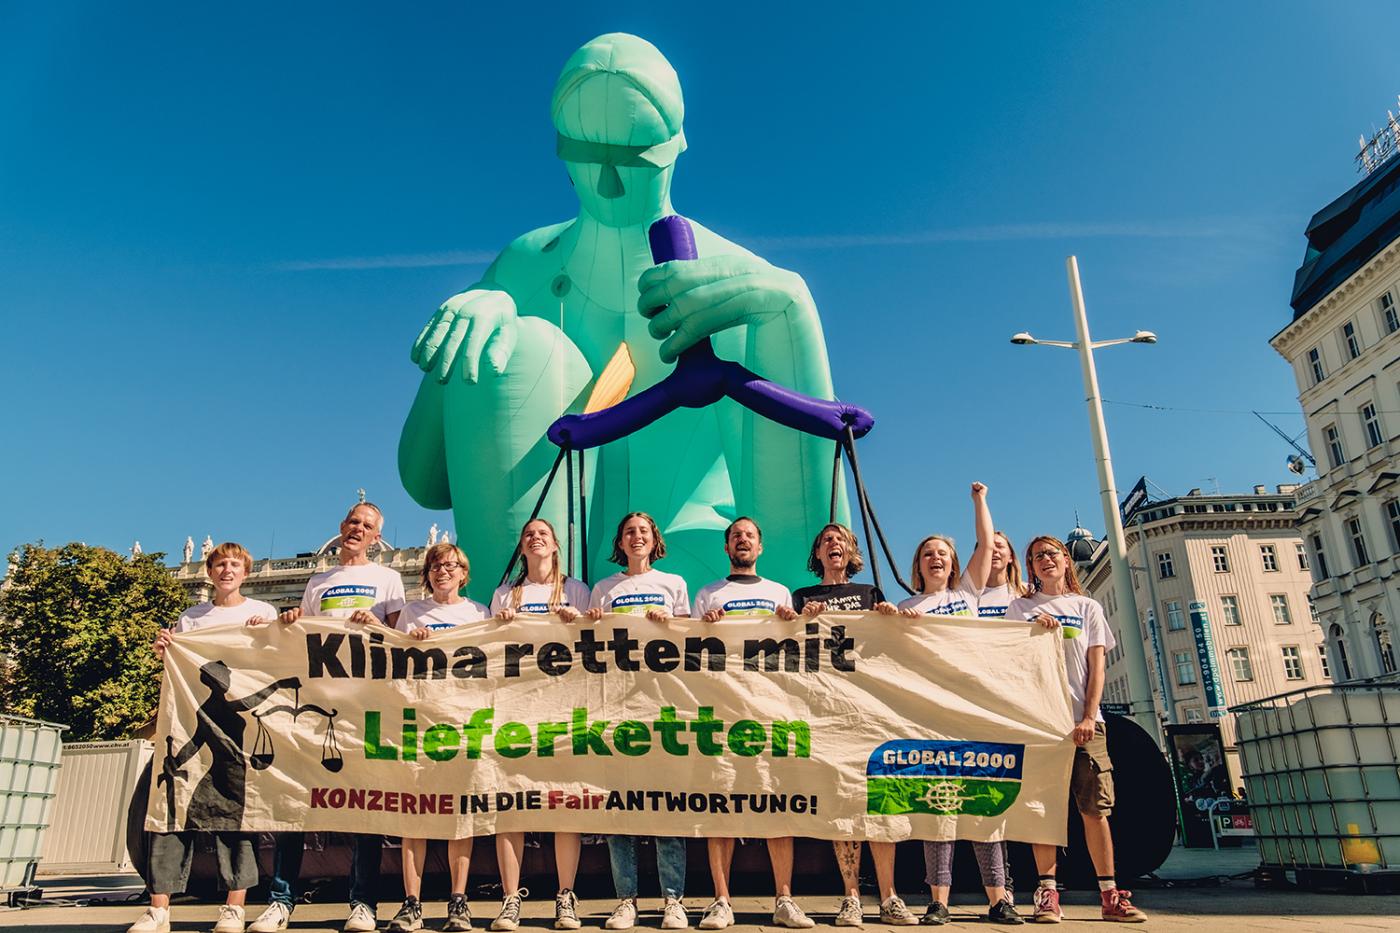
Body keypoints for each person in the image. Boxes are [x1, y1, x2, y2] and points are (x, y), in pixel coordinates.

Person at [249, 502, 407, 933]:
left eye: (368, 526)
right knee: (297, 801)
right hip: (316, 706)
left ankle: (363, 903)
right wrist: (291, 620)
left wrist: (374, 621)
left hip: (366, 705)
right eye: (354, 522)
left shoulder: (389, 579)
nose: (358, 529)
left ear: (377, 538)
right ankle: (281, 900)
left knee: (365, 806)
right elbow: (302, 641)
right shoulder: (317, 581)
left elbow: (399, 641)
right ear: (342, 528)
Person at [128, 543, 277, 933]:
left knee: (236, 819)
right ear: (209, 572)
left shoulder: (262, 613)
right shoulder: (191, 618)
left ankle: (234, 906)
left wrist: (269, 638)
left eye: (234, 565)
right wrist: (166, 650)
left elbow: (273, 663)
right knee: (171, 811)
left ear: (247, 572)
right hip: (189, 720)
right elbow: (181, 669)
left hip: (237, 733)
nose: (227, 570)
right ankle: (158, 907)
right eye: (220, 564)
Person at [896, 485, 1020, 925]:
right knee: (938, 809)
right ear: (919, 564)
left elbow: (988, 544)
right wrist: (900, 624)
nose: (936, 558)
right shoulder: (905, 605)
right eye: (927, 553)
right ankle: (939, 902)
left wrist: (979, 500)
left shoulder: (966, 596)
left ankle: (999, 899)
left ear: (954, 565)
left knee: (985, 806)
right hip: (930, 722)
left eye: (943, 554)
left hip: (973, 715)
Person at [1006, 537, 1147, 924]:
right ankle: (1047, 893)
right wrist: (1031, 633)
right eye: (1037, 557)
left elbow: (1096, 667)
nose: (1046, 560)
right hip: (1039, 724)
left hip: (1084, 723)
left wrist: (1088, 716)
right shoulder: (1019, 609)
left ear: (1066, 561)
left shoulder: (1087, 607)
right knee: (1043, 810)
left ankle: (1109, 893)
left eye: (1052, 554)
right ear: (1030, 568)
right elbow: (1009, 663)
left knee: (1095, 808)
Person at [689, 518, 811, 931]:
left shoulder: (778, 592)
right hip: (721, 712)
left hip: (769, 711)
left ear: (760, 547)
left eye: (750, 536)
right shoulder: (707, 594)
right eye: (735, 536)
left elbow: (796, 649)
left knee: (776, 802)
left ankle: (784, 898)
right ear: (727, 548)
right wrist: (704, 627)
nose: (743, 540)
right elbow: (688, 656)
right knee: (720, 801)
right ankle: (721, 901)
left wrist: (790, 621)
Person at [791, 524, 908, 927]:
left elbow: (888, 646)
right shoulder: (804, 596)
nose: (833, 545)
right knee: (843, 804)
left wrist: (890, 616)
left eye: (840, 540)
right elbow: (787, 645)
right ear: (817, 554)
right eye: (826, 541)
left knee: (879, 799)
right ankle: (851, 897)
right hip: (826, 713)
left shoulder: (870, 594)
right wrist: (797, 621)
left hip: (870, 710)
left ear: (851, 550)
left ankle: (890, 896)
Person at [588, 512, 691, 930]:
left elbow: (691, 639)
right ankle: (626, 899)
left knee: (667, 803)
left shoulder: (674, 584)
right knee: (620, 806)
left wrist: (674, 626)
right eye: (629, 531)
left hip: (663, 703)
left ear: (654, 540)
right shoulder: (604, 588)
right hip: (617, 705)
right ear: (621, 540)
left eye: (643, 532)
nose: (636, 537)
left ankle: (673, 901)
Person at [488, 518, 592, 931]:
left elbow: (596, 643)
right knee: (511, 806)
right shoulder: (503, 593)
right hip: (515, 708)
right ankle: (510, 899)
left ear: (555, 546)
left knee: (564, 804)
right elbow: (487, 651)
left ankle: (566, 896)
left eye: (542, 535)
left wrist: (577, 622)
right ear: (523, 546)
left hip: (564, 707)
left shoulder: (577, 589)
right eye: (529, 535)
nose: (535, 539)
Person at [387, 542, 489, 933]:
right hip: (420, 720)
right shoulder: (411, 612)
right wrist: (409, 642)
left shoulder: (479, 612)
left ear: (464, 574)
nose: (442, 570)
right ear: (427, 574)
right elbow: (394, 663)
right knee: (414, 814)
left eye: (450, 565)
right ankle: (411, 903)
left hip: (464, 722)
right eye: (435, 565)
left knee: (459, 816)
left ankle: (458, 901)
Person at [971, 531, 1028, 620]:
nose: (994, 550)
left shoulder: (1028, 592)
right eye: (987, 547)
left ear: (1010, 557)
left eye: (999, 546)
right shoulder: (966, 595)